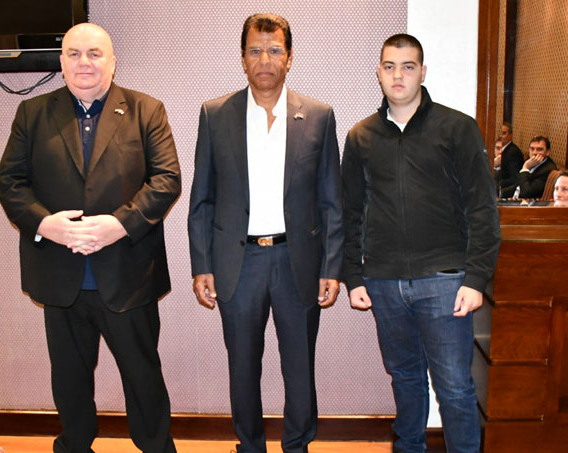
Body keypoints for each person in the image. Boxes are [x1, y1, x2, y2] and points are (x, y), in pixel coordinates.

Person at [0, 23, 180, 453]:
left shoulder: (146, 110)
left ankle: (156, 447)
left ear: (112, 63)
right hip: (60, 277)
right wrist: (46, 224)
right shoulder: (32, 113)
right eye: (74, 54)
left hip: (128, 275)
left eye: (95, 54)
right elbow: (10, 182)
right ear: (61, 63)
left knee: (144, 380)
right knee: (70, 381)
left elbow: (166, 180)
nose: (84, 63)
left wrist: (119, 224)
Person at [187, 13, 343, 453]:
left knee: (300, 368)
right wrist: (202, 264)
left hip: (298, 261)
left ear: (289, 58)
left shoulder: (319, 116)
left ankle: (297, 445)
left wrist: (332, 267)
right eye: (255, 51)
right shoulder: (216, 114)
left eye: (275, 50)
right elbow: (202, 199)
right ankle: (250, 446)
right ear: (242, 58)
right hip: (239, 263)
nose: (265, 60)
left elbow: (332, 201)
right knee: (242, 368)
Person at [341, 34, 500, 453]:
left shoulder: (457, 128)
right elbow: (349, 213)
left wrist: (476, 279)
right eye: (389, 66)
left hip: (446, 281)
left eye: (408, 66)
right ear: (379, 73)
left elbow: (482, 209)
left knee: (454, 386)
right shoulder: (360, 137)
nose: (398, 75)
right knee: (405, 378)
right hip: (383, 282)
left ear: (422, 72)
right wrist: (353, 277)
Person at [495, 122, 524, 197]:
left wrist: (496, 184)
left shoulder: (512, 152)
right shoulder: (504, 150)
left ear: (511, 135)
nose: (501, 136)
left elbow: (514, 178)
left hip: (508, 192)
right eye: (499, 133)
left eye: (504, 133)